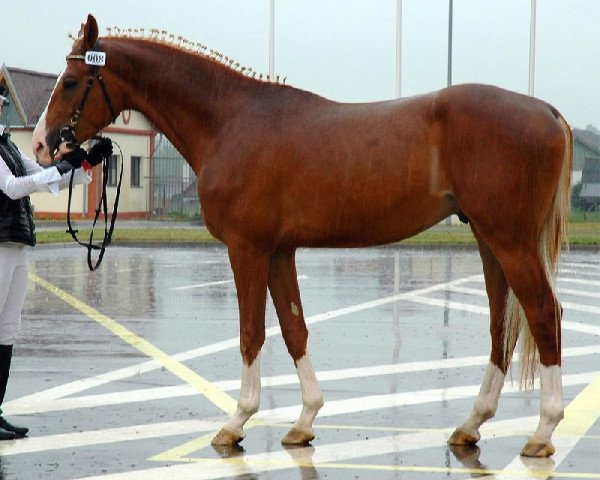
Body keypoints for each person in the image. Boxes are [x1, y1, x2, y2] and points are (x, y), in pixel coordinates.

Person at [0, 85, 112, 439]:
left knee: (7, 332)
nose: (2, 109)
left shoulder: (9, 147)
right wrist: (61, 166)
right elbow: (14, 187)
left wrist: (83, 163)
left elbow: (48, 179)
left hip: (16, 247)